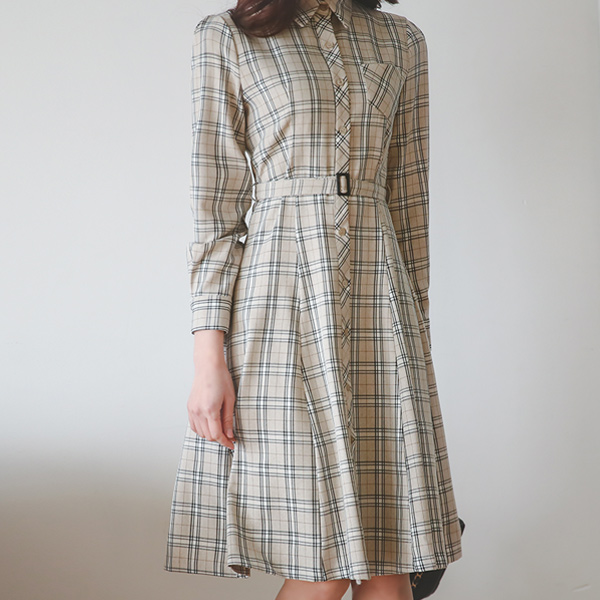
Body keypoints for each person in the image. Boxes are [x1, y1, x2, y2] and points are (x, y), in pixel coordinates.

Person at [164, 0, 463, 598]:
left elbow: (409, 198)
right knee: (321, 567)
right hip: (278, 301)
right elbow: (215, 209)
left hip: (381, 301)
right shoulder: (227, 36)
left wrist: (417, 336)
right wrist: (207, 362)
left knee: (389, 561)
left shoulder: (401, 40)